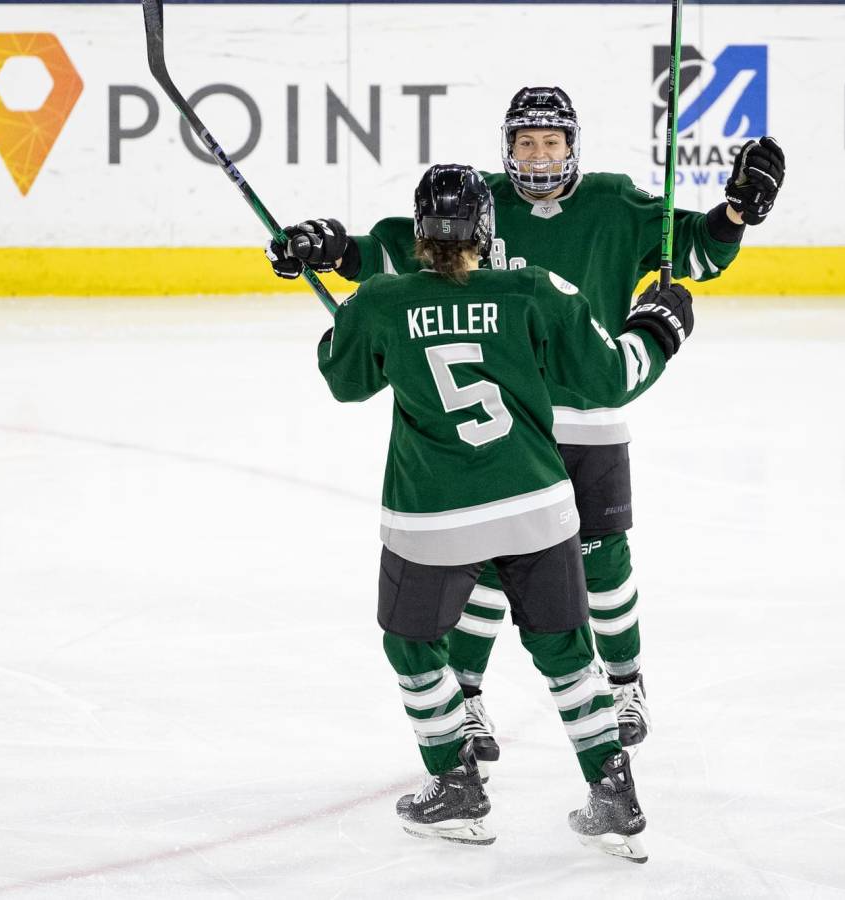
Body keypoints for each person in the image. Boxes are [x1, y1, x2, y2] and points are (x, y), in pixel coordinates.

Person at [269, 86, 785, 773]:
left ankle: (625, 684)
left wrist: (735, 212)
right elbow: (396, 250)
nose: (538, 154)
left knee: (603, 555)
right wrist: (329, 248)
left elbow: (697, 253)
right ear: (505, 147)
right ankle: (471, 692)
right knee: (485, 559)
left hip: (590, 414)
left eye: (552, 141)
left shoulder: (616, 203)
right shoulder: (478, 205)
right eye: (525, 142)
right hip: (515, 425)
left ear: (574, 145)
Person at [311, 163, 694, 861]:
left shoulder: (381, 300)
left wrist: (345, 321)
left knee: (414, 648)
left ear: (421, 231)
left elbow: (344, 379)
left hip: (432, 517)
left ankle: (455, 785)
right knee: (568, 655)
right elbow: (610, 377)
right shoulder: (532, 290)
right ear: (487, 230)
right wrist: (658, 332)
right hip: (537, 505)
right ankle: (613, 793)